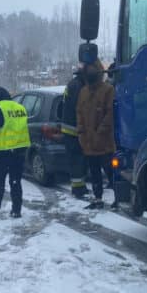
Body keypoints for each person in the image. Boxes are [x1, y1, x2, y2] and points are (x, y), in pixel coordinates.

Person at [0, 86, 31, 220]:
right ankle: (16, 210)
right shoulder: (19, 106)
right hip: (19, 150)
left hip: (2, 152)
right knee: (15, 182)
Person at [76, 59, 116, 209]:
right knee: (94, 173)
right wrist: (81, 132)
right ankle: (97, 198)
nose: (90, 74)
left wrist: (100, 133)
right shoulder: (83, 91)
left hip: (105, 143)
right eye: (88, 71)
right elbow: (79, 113)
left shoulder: (108, 90)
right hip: (88, 142)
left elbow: (110, 114)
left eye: (93, 70)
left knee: (111, 172)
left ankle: (118, 198)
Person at [60, 64, 88, 198]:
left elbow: (62, 106)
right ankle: (78, 189)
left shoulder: (71, 84)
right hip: (74, 129)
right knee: (77, 160)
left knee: (75, 159)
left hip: (68, 127)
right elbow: (80, 108)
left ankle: (80, 186)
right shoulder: (78, 87)